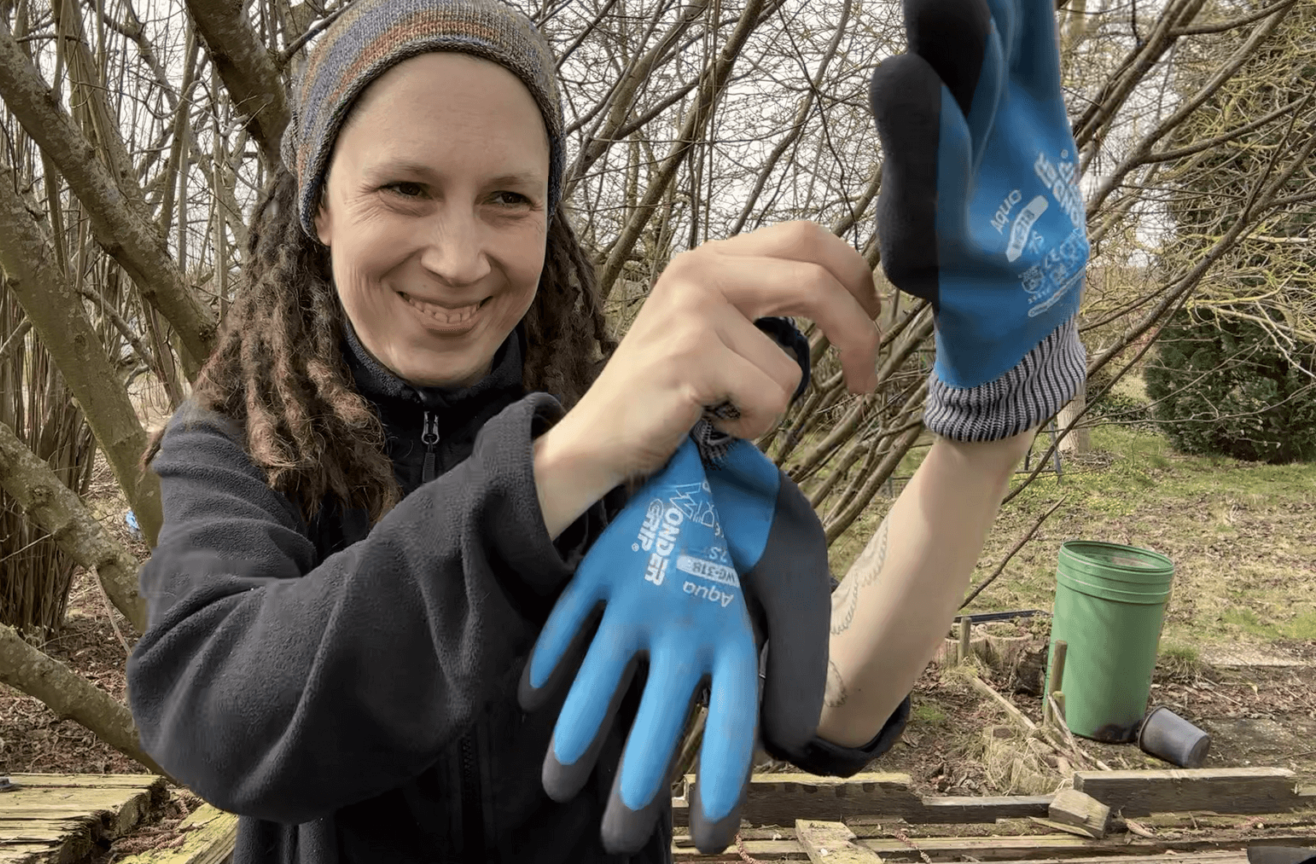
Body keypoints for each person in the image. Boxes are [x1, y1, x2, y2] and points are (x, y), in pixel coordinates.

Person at [125, 0, 1087, 861]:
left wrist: (986, 421)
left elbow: (831, 698)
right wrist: (561, 468)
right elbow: (218, 717)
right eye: (406, 190)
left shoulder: (653, 438)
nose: (459, 259)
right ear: (320, 206)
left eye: (508, 198)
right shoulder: (241, 442)